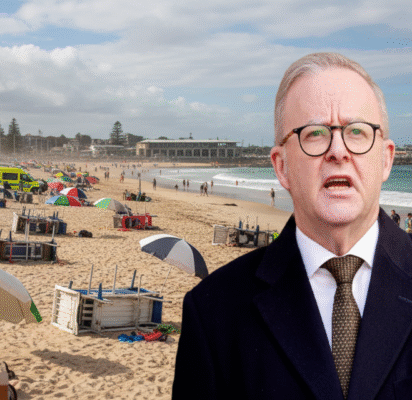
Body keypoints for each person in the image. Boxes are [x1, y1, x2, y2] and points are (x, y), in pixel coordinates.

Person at [173, 53, 411, 399]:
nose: (338, 151)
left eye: (357, 132)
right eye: (314, 134)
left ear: (386, 159)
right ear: (281, 166)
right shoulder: (213, 311)